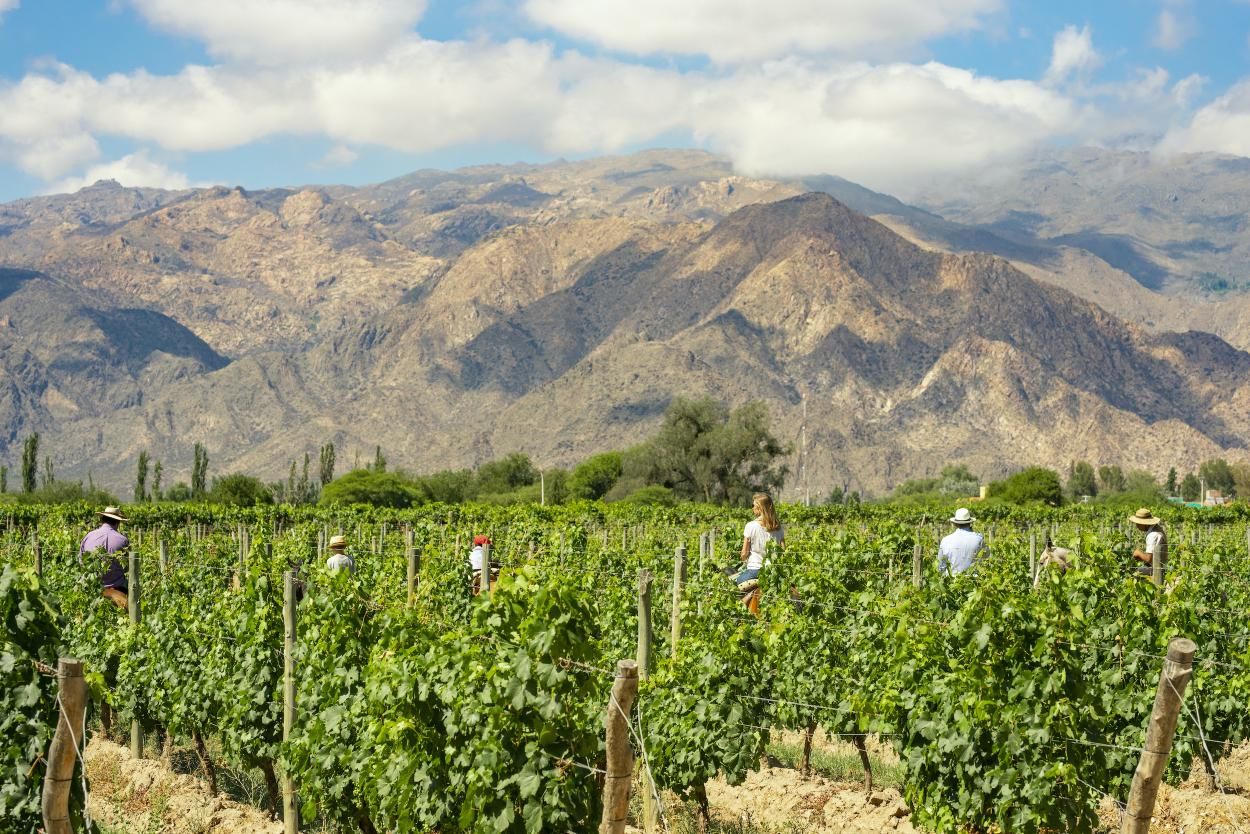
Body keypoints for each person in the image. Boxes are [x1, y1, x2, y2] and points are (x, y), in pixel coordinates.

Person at [80, 506, 129, 609]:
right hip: (119, 588)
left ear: (102, 520)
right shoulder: (123, 540)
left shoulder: (88, 536)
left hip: (92, 587)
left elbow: (81, 563)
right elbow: (128, 567)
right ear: (118, 522)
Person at [737, 493, 784, 587]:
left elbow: (744, 553)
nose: (752, 508)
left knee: (737, 582)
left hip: (755, 571)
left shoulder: (750, 526)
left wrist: (742, 557)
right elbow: (783, 552)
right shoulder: (779, 528)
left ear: (760, 508)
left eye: (753, 505)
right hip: (773, 572)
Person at [938, 508, 985, 576]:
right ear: (970, 523)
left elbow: (941, 566)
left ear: (955, 524)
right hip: (974, 582)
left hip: (951, 583)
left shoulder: (945, 540)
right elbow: (986, 559)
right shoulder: (979, 539)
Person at [1128, 507, 1167, 578]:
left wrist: (1138, 553)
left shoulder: (1153, 535)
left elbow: (1148, 558)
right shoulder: (1157, 528)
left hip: (1156, 569)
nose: (1137, 526)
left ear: (1144, 524)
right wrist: (1141, 557)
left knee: (1134, 573)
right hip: (1160, 566)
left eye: (1138, 523)